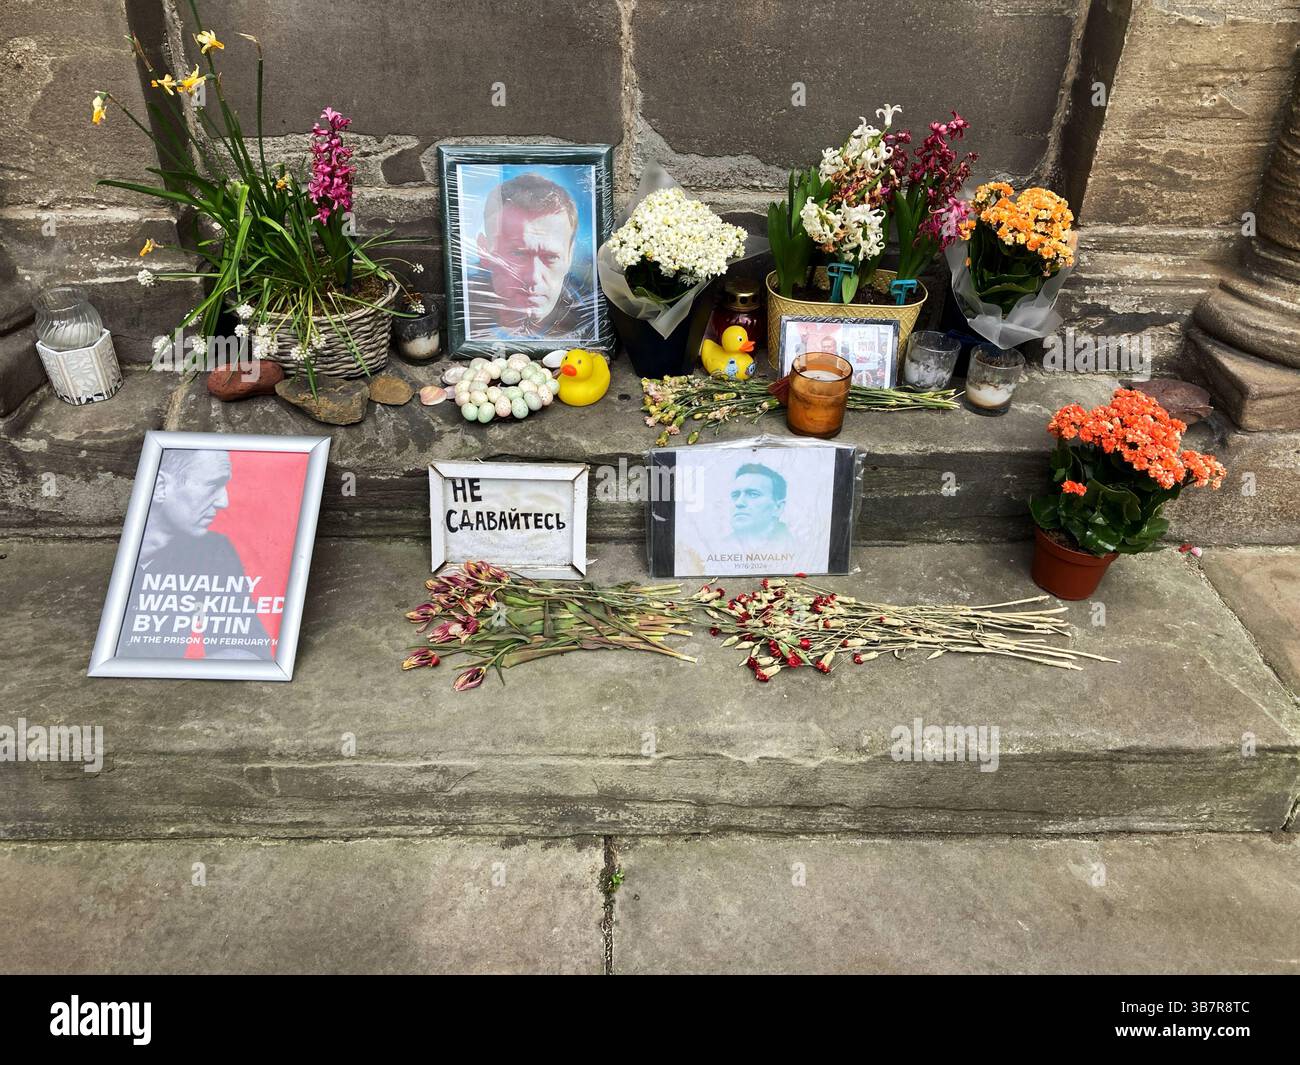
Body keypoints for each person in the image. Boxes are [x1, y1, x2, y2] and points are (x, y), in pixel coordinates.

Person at [118, 450, 272, 660]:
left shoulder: (212, 551)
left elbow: (246, 647)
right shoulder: (119, 556)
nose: (223, 501)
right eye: (212, 486)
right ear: (161, 487)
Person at [466, 172, 593, 342]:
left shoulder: (590, 321)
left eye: (550, 257)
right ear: (484, 251)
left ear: (569, 256)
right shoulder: (463, 309)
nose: (533, 277)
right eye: (518, 254)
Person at [728, 463, 796, 553]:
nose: (739, 503)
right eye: (736, 495)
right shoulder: (715, 549)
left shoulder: (803, 553)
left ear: (778, 508)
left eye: (753, 494)